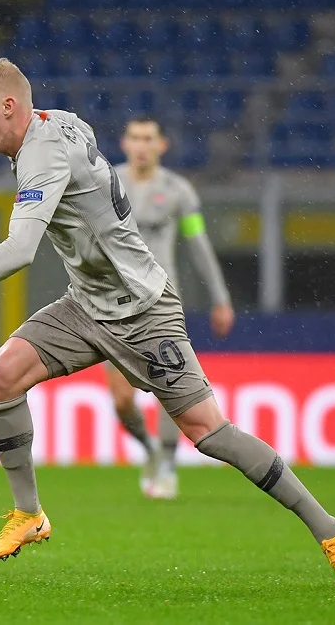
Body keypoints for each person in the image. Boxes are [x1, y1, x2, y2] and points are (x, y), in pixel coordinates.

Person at [0, 58, 335, 589]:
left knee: (210, 433)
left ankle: (332, 531)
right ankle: (29, 513)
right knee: (0, 377)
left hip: (143, 311)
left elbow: (21, 249)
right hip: (85, 305)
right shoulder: (60, 122)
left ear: (8, 107)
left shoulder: (44, 155)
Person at [110, 116, 235, 500]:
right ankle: (148, 448)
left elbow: (198, 243)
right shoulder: (105, 181)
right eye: (135, 137)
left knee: (168, 386)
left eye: (148, 138)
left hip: (161, 303)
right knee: (122, 399)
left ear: (161, 145)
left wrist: (220, 298)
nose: (142, 145)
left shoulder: (179, 191)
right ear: (125, 143)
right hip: (112, 303)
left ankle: (166, 464)